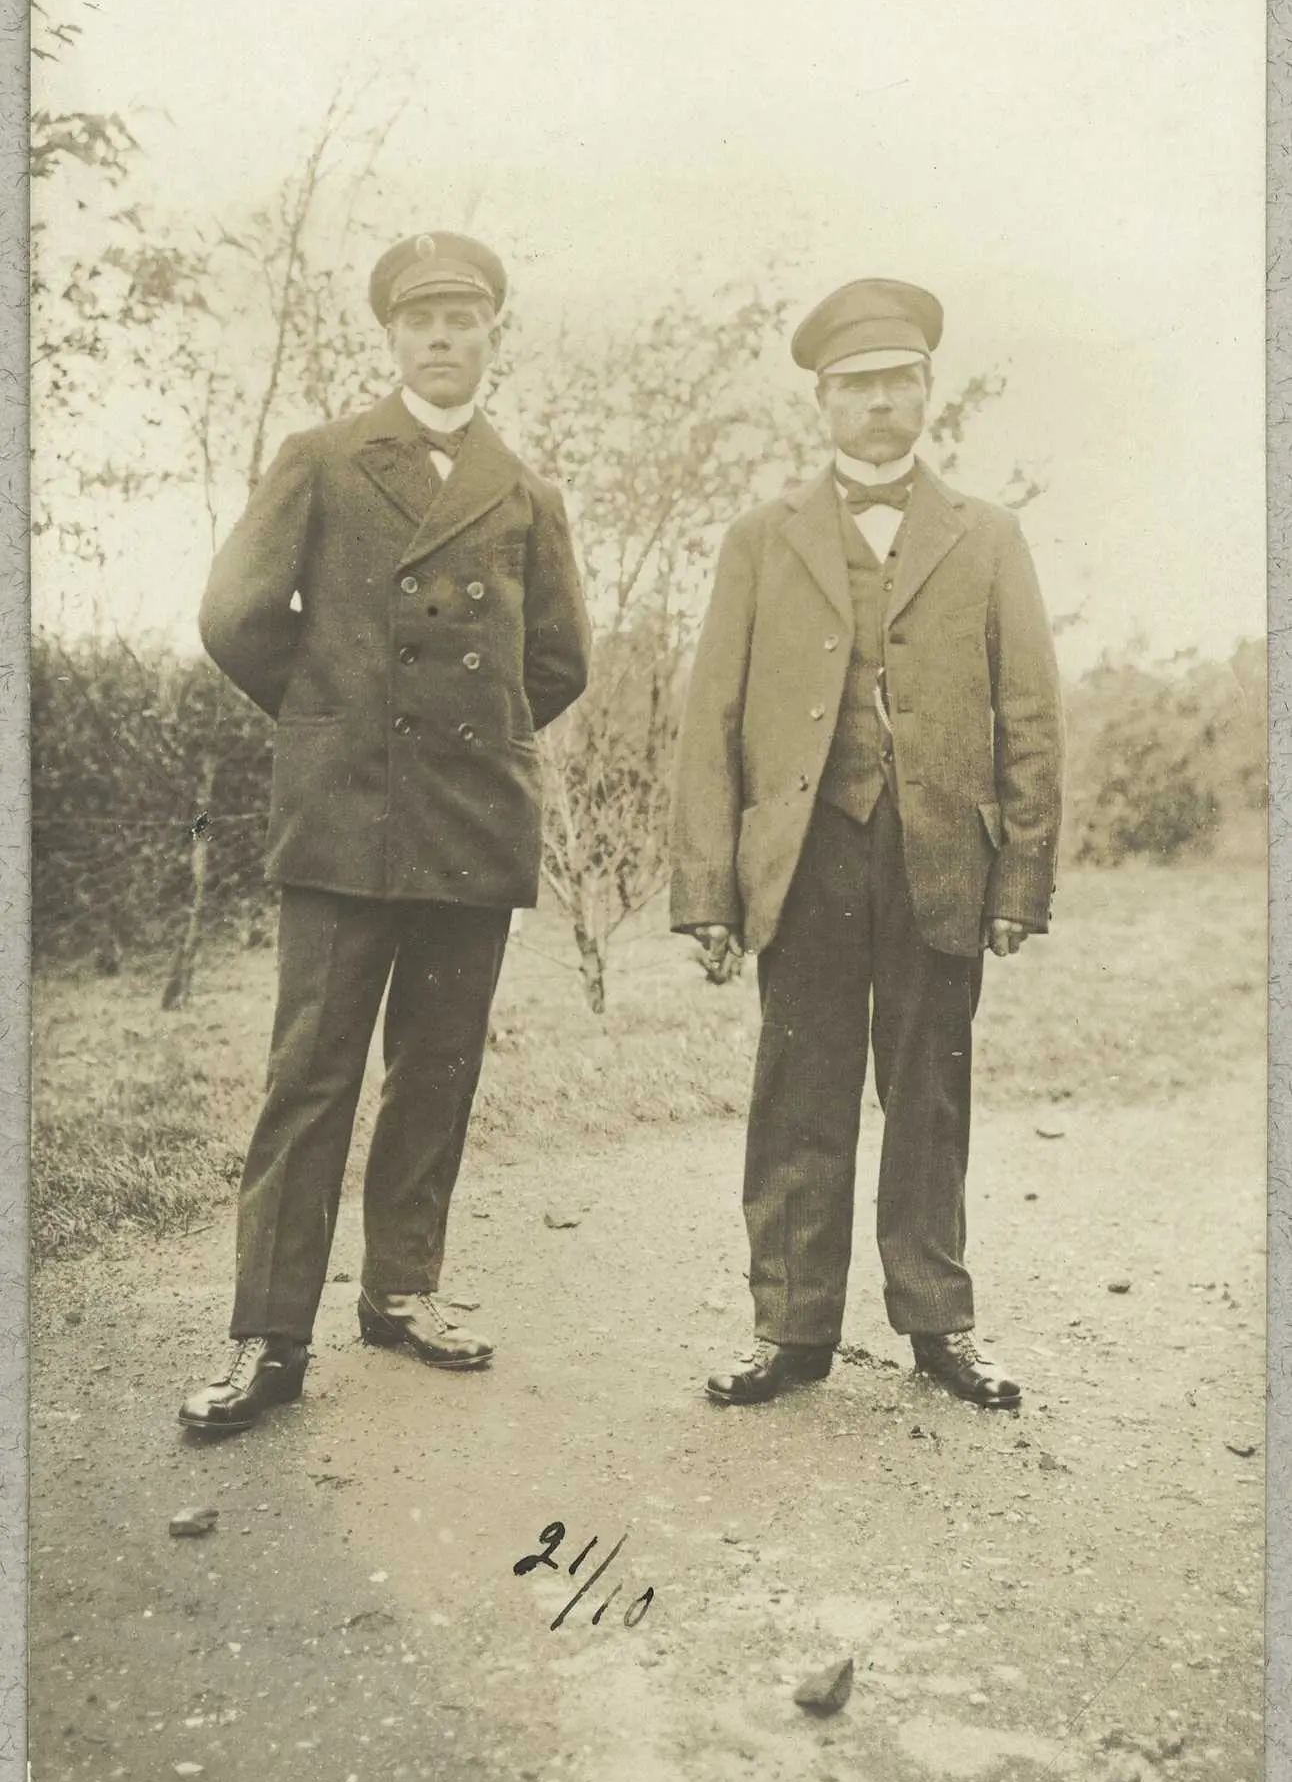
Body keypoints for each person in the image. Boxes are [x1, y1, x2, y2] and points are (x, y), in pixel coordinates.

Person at [179, 232, 591, 1434]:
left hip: (471, 819)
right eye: (420, 320)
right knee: (309, 1075)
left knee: (438, 1066)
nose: (442, 336)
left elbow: (558, 659)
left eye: (463, 318)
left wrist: (471, 742)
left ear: (492, 333)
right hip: (344, 813)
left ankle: (402, 1290)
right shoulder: (322, 458)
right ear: (392, 335)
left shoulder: (526, 490)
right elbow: (234, 614)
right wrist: (331, 718)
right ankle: (269, 1335)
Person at [670, 278, 1062, 1410]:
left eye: (896, 381)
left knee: (929, 1088)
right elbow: (713, 716)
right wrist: (707, 888)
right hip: (805, 853)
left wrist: (1019, 878)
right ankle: (789, 1328)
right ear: (822, 402)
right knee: (799, 1085)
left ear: (926, 391)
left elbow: (1030, 712)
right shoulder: (761, 538)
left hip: (942, 855)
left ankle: (939, 1322)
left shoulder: (988, 534)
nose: (878, 402)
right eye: (855, 385)